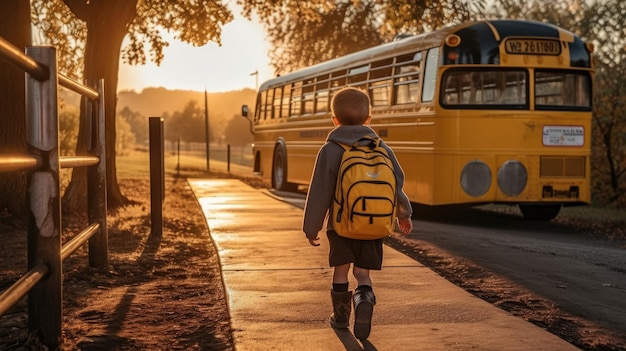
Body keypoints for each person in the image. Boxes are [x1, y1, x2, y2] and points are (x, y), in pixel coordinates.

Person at [302, 87, 413, 341]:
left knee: (341, 270)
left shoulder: (331, 149)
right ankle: (364, 298)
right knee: (363, 272)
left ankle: (341, 317)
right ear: (368, 119)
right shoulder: (381, 147)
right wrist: (404, 213)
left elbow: (320, 191)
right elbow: (396, 183)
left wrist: (312, 227)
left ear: (335, 119)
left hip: (341, 226)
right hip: (374, 225)